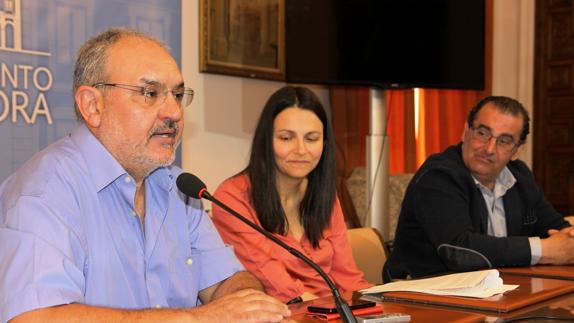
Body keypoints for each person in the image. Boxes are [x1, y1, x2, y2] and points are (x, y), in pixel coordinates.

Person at [0, 28, 292, 322]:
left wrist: (250, 304)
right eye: (150, 94)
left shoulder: (176, 187)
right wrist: (197, 319)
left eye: (177, 95)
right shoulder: (45, 191)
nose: (174, 112)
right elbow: (33, 318)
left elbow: (225, 281)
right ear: (93, 106)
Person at [383, 96, 574, 282]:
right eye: (482, 133)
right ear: (465, 131)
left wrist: (568, 241)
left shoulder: (520, 177)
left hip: (495, 292)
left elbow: (553, 226)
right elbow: (459, 249)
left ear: (517, 150)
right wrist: (543, 250)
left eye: (504, 141)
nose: (489, 148)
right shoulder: (438, 176)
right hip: (419, 293)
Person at [211, 86, 372, 304]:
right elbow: (280, 287)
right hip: (287, 313)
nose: (301, 149)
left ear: (324, 144)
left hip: (334, 312)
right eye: (286, 138)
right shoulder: (232, 198)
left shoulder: (324, 193)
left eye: (312, 138)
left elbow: (348, 278)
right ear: (267, 141)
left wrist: (382, 305)